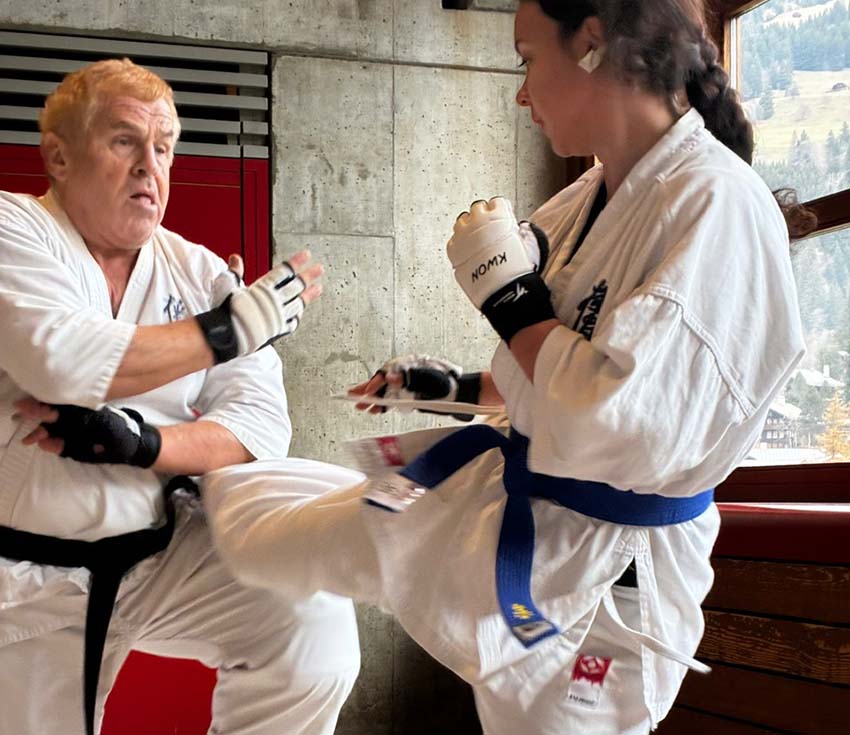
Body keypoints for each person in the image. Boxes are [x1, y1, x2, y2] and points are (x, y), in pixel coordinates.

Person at [34, 1, 817, 731]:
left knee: (301, 564)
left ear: (590, 44)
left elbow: (620, 423)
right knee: (265, 520)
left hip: (609, 573)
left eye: (525, 58)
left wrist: (510, 301)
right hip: (541, 527)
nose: (521, 92)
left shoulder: (715, 204)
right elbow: (560, 373)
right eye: (124, 143)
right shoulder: (593, 195)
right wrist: (453, 387)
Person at [0, 58, 360, 735]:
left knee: (309, 626)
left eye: (164, 147)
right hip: (29, 576)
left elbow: (259, 425)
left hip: (162, 557)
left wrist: (144, 444)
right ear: (59, 156)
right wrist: (227, 331)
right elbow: (59, 360)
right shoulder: (13, 228)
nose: (150, 166)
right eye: (125, 141)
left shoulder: (196, 269)